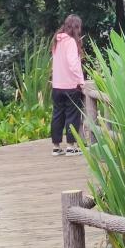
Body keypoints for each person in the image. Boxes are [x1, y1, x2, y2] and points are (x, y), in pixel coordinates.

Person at [50, 14, 85, 157]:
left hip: (57, 85)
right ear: (76, 27)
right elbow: (73, 64)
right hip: (70, 85)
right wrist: (81, 82)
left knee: (57, 115)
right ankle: (71, 147)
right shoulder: (71, 41)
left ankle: (56, 146)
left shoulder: (56, 40)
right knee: (72, 115)